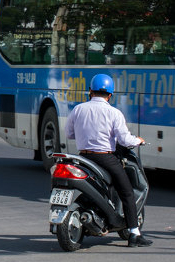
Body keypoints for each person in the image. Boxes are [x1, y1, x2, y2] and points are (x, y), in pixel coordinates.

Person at [64, 73, 151, 247]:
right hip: (106, 158)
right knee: (127, 192)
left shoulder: (78, 109)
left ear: (90, 91)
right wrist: (138, 141)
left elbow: (69, 134)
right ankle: (134, 233)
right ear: (110, 95)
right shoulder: (114, 113)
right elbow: (125, 141)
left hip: (84, 158)